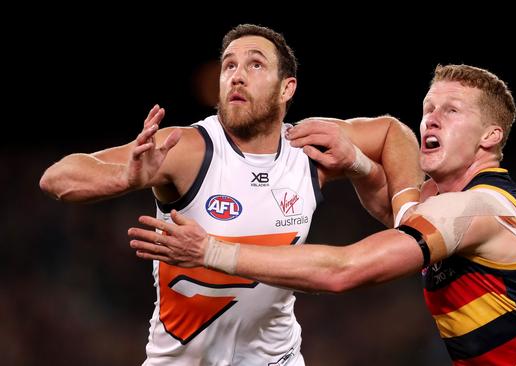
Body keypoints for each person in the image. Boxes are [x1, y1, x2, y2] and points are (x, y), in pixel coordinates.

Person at [129, 64, 516, 365]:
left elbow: (346, 270)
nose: (430, 119)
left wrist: (211, 249)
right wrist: (360, 165)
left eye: (450, 111)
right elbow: (402, 216)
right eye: (428, 108)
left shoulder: (475, 208)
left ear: (490, 136)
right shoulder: (454, 204)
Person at [39, 24, 422, 365]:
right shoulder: (190, 148)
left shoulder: (308, 147)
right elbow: (57, 178)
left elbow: (393, 131)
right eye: (229, 65)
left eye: (255, 65)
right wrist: (124, 176)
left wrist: (400, 207)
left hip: (278, 358)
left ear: (287, 87)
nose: (237, 76)